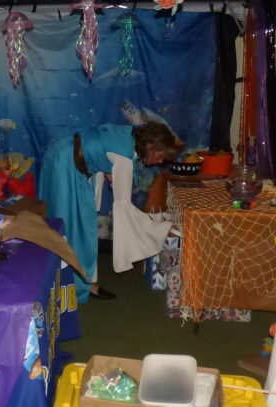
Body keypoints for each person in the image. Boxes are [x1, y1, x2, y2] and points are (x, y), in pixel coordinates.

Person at [38, 122, 178, 305]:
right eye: (160, 156)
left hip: (61, 154)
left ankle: (57, 277)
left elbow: (101, 146)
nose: (160, 162)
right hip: (66, 165)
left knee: (63, 222)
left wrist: (109, 173)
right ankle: (80, 285)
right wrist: (159, 229)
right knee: (78, 227)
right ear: (151, 146)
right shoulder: (124, 157)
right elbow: (124, 208)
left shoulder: (130, 134)